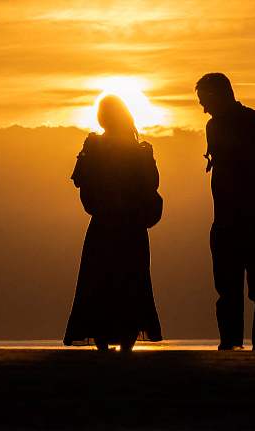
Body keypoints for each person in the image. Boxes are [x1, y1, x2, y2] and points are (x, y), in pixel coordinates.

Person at [64, 95, 163, 351]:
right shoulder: (139, 150)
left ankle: (102, 343)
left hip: (105, 226)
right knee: (132, 279)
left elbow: (82, 182)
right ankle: (126, 343)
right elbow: (151, 185)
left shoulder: (95, 147)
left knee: (99, 280)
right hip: (131, 227)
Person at [196, 73, 255, 351]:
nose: (203, 109)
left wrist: (250, 208)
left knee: (254, 288)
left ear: (216, 96)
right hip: (228, 223)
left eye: (204, 101)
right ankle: (236, 345)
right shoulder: (217, 127)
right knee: (233, 290)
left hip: (248, 223)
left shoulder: (252, 128)